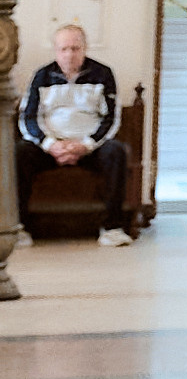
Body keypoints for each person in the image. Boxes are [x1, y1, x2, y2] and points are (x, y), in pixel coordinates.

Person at [18, 22, 132, 243]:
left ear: (85, 48)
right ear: (56, 51)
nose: (69, 54)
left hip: (89, 147)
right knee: (20, 153)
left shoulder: (103, 74)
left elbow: (111, 118)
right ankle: (20, 227)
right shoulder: (41, 76)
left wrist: (85, 145)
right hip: (51, 147)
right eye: (64, 49)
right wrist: (51, 145)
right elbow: (28, 118)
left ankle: (112, 228)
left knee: (116, 152)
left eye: (75, 48)